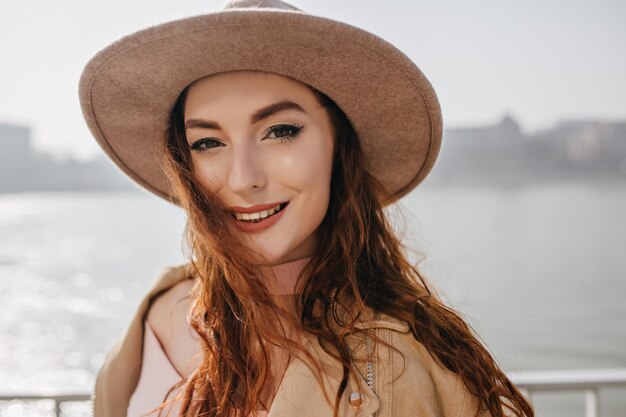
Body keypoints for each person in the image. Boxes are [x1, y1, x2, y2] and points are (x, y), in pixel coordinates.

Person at [79, 1, 534, 417]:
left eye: (279, 131)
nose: (243, 178)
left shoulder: (405, 366)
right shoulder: (161, 306)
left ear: (339, 145)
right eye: (207, 142)